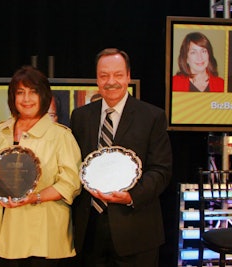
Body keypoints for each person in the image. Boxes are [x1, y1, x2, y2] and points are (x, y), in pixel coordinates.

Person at [70, 48, 172, 267]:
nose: (111, 81)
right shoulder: (80, 116)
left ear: (128, 76)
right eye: (104, 75)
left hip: (136, 228)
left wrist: (130, 195)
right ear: (97, 79)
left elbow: (161, 170)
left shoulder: (152, 116)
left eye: (117, 74)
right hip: (89, 229)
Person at [0, 65, 82, 267]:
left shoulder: (61, 136)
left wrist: (34, 197)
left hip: (42, 235)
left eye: (33, 92)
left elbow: (71, 183)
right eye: (20, 92)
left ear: (45, 96)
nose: (26, 99)